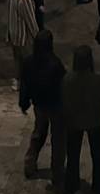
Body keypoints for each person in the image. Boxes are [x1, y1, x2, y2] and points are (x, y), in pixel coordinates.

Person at [19, 29, 66, 186]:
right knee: (58, 139)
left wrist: (24, 102)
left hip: (39, 104)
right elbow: (63, 87)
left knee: (39, 132)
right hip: (55, 105)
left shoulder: (28, 62)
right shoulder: (55, 64)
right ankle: (57, 172)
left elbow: (24, 85)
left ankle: (30, 162)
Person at [61, 45, 100, 194]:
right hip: (95, 122)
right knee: (97, 157)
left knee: (73, 156)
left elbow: (64, 101)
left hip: (74, 122)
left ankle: (70, 188)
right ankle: (99, 189)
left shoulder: (67, 80)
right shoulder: (97, 81)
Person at [6, 0, 39, 87]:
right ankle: (27, 84)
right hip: (23, 36)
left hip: (13, 33)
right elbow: (30, 20)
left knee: (18, 60)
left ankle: (18, 81)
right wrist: (37, 36)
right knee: (28, 61)